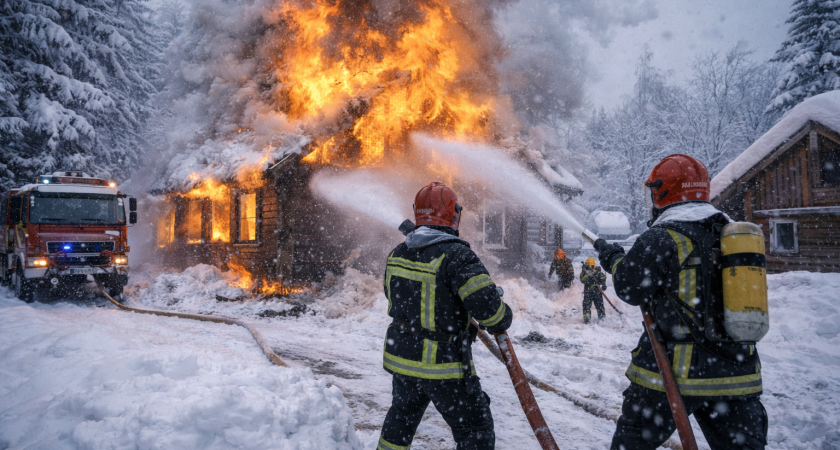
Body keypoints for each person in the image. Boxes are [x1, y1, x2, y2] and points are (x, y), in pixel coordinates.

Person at [593, 154, 767, 450]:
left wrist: (614, 259)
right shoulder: (732, 234)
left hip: (671, 375)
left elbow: (629, 288)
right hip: (737, 377)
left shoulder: (662, 237)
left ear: (661, 191)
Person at [379, 182, 513, 450]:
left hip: (403, 362)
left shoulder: (398, 253)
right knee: (475, 429)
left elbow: (394, 297)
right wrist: (500, 307)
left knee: (400, 421)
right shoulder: (458, 256)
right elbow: (492, 315)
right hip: (443, 367)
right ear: (454, 214)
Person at [579, 257, 607, 323]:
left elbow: (603, 278)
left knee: (600, 305)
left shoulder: (598, 272)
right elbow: (582, 280)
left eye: (591, 266)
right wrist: (588, 276)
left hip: (597, 292)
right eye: (588, 266)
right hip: (588, 292)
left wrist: (603, 285)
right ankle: (587, 319)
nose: (590, 267)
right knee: (586, 306)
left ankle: (602, 319)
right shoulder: (584, 272)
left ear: (594, 265)